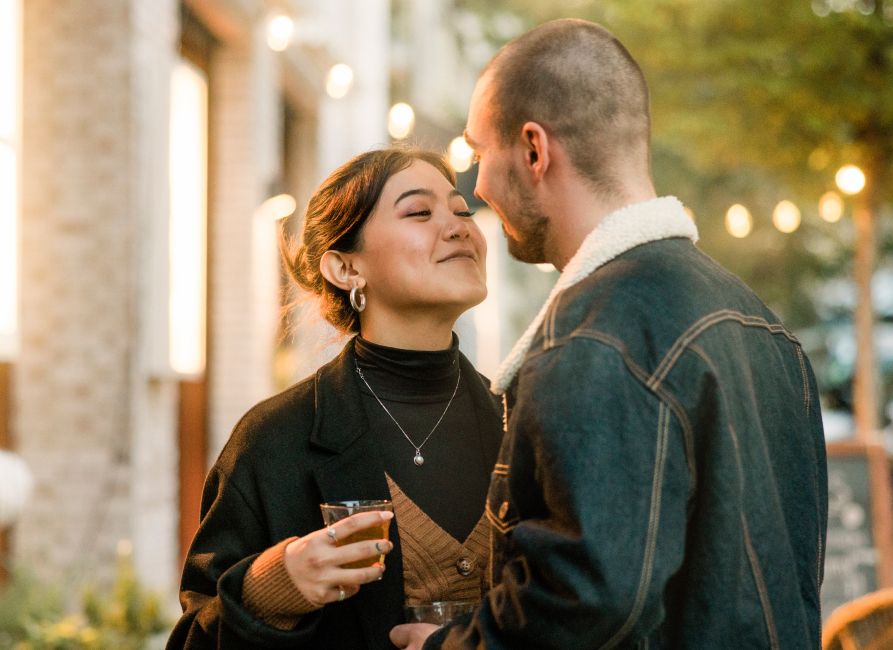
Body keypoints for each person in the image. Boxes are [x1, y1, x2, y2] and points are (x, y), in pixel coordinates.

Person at [390, 18, 828, 650]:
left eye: (479, 153)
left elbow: (588, 598)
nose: (476, 186)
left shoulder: (592, 337)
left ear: (534, 150)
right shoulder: (764, 326)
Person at [167, 147, 504, 649]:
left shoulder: (521, 422)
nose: (459, 228)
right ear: (346, 270)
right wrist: (271, 590)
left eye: (460, 210)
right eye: (419, 212)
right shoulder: (274, 439)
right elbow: (194, 639)